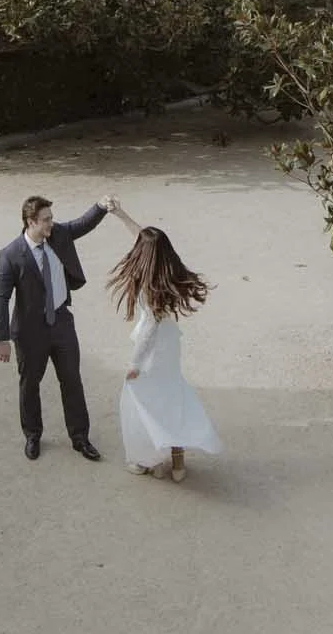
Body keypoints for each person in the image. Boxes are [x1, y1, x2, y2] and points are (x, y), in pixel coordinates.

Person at [0, 193, 117, 461]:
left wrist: (101, 206)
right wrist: (2, 338)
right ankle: (33, 435)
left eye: (51, 218)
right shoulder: (11, 255)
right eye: (46, 219)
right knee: (30, 385)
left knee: (72, 381)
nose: (52, 223)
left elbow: (82, 224)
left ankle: (80, 437)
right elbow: (1, 298)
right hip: (29, 332)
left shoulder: (58, 235)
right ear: (30, 222)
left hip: (61, 322)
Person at [105, 202, 219, 482]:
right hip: (170, 345)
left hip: (153, 348)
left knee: (141, 401)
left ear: (143, 254)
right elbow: (140, 234)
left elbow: (148, 331)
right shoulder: (165, 273)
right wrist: (120, 214)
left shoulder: (148, 285)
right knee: (170, 396)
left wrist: (135, 364)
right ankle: (177, 462)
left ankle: (149, 460)